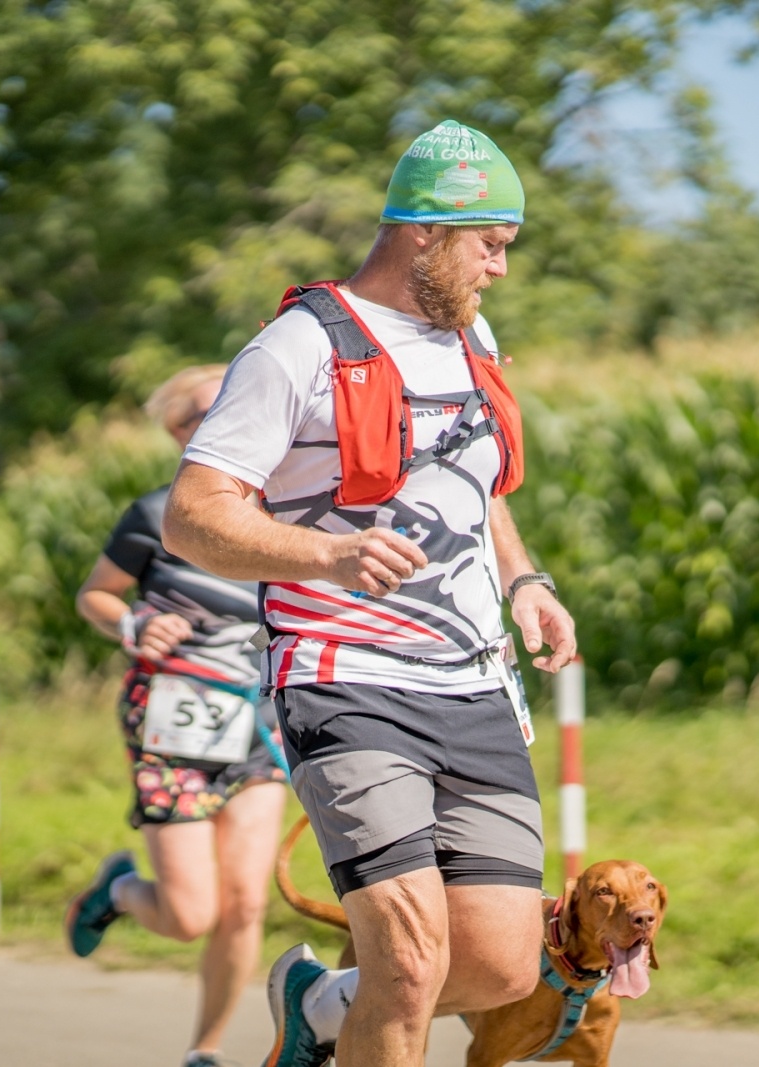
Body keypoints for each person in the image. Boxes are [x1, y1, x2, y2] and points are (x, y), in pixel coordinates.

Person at [161, 120, 577, 1067]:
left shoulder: (475, 336)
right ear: (424, 231)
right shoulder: (297, 347)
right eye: (491, 246)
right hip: (345, 678)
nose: (500, 271)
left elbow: (476, 488)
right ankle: (361, 1002)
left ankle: (318, 1006)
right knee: (410, 956)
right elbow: (194, 514)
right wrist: (325, 557)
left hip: (474, 685)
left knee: (505, 963)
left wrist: (525, 580)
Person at [66, 364, 289, 1067]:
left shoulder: (290, 519)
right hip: (172, 722)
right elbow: (94, 595)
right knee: (191, 914)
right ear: (182, 434)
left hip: (258, 726)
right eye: (207, 407)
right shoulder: (155, 515)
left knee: (247, 903)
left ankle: (206, 1049)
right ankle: (123, 888)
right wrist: (134, 622)